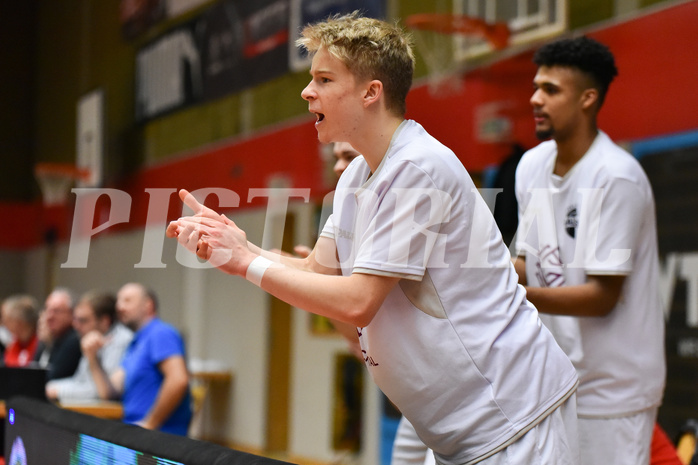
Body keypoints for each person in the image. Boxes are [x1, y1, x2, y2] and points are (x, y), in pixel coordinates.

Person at [168, 12, 580, 464]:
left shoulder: (417, 167)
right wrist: (243, 246)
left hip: (515, 418)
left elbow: (357, 301)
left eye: (324, 79)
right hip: (464, 432)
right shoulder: (355, 177)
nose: (307, 92)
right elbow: (314, 272)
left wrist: (246, 262)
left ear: (371, 92)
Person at [513, 36, 666, 464]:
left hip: (613, 393)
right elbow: (531, 260)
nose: (535, 99)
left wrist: (512, 295)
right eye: (536, 86)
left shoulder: (616, 176)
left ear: (587, 98)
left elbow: (603, 297)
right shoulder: (533, 166)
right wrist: (477, 273)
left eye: (550, 90)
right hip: (554, 382)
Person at [84, 282, 192, 436]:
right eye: (119, 302)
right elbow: (109, 393)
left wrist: (150, 423)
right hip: (135, 433)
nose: (120, 307)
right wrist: (93, 357)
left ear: (148, 305)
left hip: (161, 439)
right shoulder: (135, 343)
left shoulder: (160, 333)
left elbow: (178, 380)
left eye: (127, 301)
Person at [45, 290, 133, 401]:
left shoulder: (121, 341)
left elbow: (104, 392)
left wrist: (58, 391)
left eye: (83, 320)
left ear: (105, 321)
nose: (76, 326)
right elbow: (79, 382)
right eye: (75, 320)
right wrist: (48, 387)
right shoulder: (90, 338)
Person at [33, 288, 83, 380]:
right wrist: (47, 343)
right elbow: (32, 371)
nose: (49, 317)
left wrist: (49, 344)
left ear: (72, 313)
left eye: (56, 311)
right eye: (48, 310)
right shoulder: (50, 337)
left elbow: (53, 377)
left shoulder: (74, 339)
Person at [1, 294, 40, 367]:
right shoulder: (14, 344)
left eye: (8, 319)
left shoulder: (40, 345)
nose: (4, 323)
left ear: (19, 322)